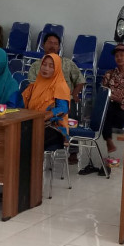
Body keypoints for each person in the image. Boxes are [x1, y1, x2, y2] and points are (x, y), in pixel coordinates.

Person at [28, 33, 85, 164]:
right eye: (49, 42)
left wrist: (75, 94)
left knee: (70, 112)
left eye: (55, 43)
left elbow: (80, 81)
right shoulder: (36, 66)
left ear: (59, 47)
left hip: (59, 110)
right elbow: (30, 89)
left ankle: (73, 151)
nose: (52, 45)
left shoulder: (67, 65)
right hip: (39, 109)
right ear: (43, 45)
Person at [22, 54, 71, 150]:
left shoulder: (60, 85)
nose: (46, 68)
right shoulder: (37, 83)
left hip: (54, 128)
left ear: (56, 68)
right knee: (15, 134)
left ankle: (31, 164)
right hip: (34, 123)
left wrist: (45, 116)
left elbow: (63, 109)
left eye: (51, 66)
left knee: (27, 139)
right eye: (44, 65)